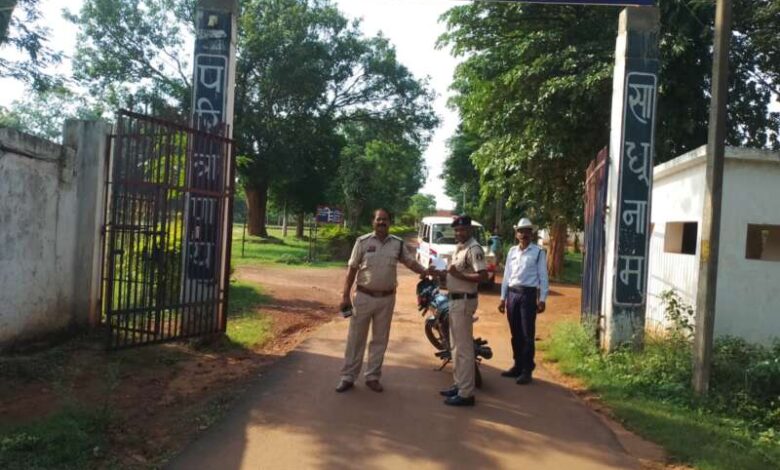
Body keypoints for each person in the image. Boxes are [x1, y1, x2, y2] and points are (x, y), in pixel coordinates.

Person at [336, 208, 431, 393]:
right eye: (378, 219)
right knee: (355, 339)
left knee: (380, 340)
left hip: (386, 299)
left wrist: (425, 271)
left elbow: (410, 262)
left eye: (385, 219)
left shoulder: (397, 244)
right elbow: (352, 269)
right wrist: (345, 295)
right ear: (373, 221)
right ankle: (348, 376)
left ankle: (372, 376)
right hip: (363, 297)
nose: (382, 222)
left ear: (390, 222)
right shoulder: (362, 242)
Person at [438, 215, 488, 406]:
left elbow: (483, 276)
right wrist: (442, 273)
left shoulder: (474, 249)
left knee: (464, 349)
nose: (459, 232)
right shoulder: (460, 248)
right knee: (455, 347)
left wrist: (459, 275)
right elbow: (454, 273)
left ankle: (466, 394)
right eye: (457, 230)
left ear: (470, 230)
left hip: (464, 302)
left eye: (463, 229)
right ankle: (459, 385)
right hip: (454, 301)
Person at [498, 218, 549, 385]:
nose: (523, 234)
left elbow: (543, 277)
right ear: (516, 234)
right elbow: (506, 276)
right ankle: (517, 365)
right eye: (520, 231)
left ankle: (527, 370)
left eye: (527, 231)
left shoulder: (538, 252)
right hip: (512, 294)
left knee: (527, 334)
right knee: (515, 334)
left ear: (531, 233)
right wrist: (502, 298)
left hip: (528, 295)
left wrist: (542, 299)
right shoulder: (512, 251)